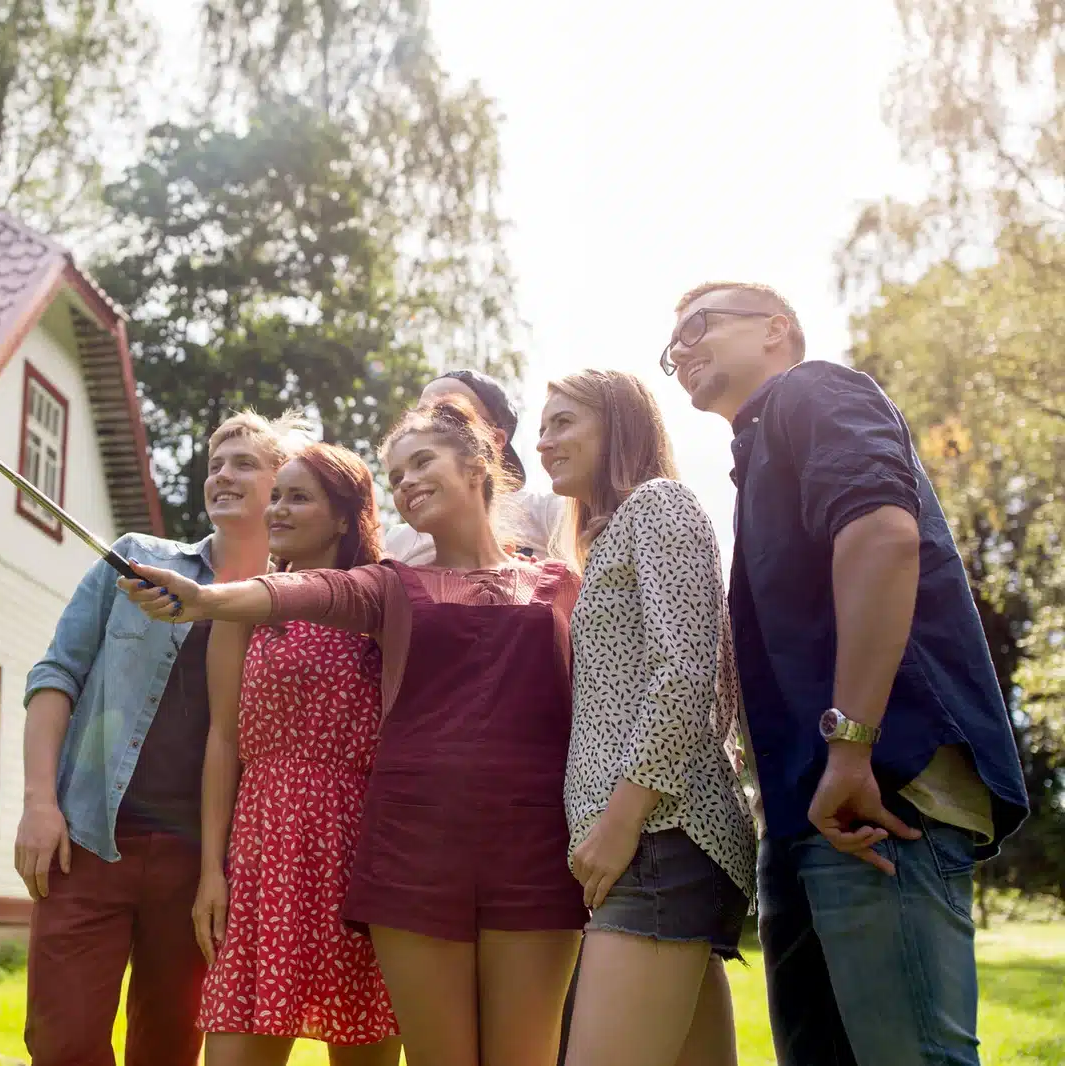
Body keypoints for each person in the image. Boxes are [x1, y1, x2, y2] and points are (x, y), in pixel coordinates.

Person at [118, 395, 588, 1066]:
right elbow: (302, 594)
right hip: (361, 854)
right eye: (397, 473)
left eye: (422, 461)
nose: (409, 482)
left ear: (480, 461)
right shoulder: (392, 588)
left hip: (481, 848)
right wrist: (204, 599)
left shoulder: (558, 584)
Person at [663, 280, 1030, 1066]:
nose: (682, 349)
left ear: (777, 329)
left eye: (698, 325)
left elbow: (883, 537)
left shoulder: (814, 391)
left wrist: (853, 744)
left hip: (880, 787)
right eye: (672, 348)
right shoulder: (759, 454)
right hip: (811, 808)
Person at [15, 410, 305, 1066]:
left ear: (282, 485)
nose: (223, 474)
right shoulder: (135, 561)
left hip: (203, 865)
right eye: (215, 464)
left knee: (169, 1048)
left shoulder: (299, 605)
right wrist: (39, 802)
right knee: (62, 1043)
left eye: (244, 462)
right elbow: (54, 675)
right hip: (87, 841)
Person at [536, 369, 756, 1066]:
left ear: (619, 425)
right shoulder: (609, 540)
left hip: (658, 836)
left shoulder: (659, 505)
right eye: (542, 427)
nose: (545, 442)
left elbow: (684, 674)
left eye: (564, 422)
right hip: (652, 845)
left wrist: (619, 822)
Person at [196, 441, 401, 1066]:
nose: (277, 510)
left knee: (362, 1045)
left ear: (344, 517)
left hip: (357, 850)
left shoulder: (385, 605)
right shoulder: (243, 606)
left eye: (298, 497)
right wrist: (211, 870)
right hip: (263, 846)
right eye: (276, 496)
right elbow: (223, 739)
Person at [384, 369, 565, 562]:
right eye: (420, 416)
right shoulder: (398, 542)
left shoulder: (548, 513)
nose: (427, 427)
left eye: (447, 415)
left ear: (494, 440)